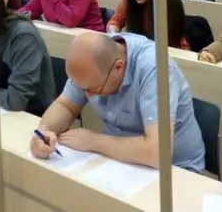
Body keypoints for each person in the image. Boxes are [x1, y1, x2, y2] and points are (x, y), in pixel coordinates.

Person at [29, 32, 205, 173]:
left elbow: (157, 153)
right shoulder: (93, 61)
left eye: (94, 88)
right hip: (119, 159)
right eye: (83, 89)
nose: (88, 95)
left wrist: (94, 141)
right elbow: (65, 105)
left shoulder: (154, 67)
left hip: (176, 169)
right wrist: (44, 131)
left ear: (118, 67)